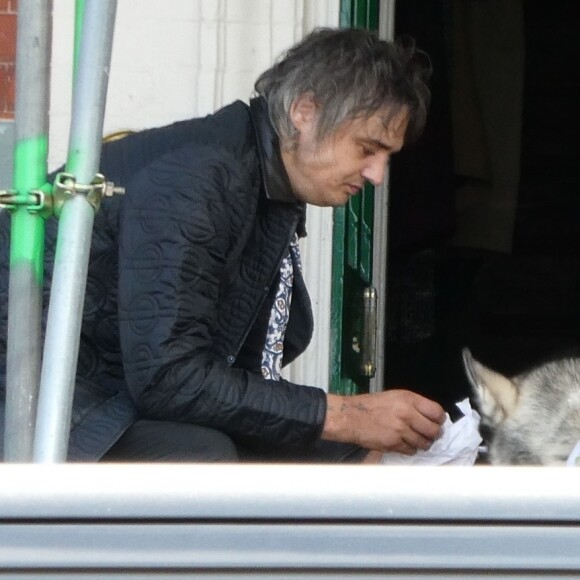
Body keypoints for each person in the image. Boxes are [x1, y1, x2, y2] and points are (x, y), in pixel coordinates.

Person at [0, 27, 445, 462]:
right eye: (367, 148)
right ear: (305, 112)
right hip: (46, 404)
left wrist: (348, 427)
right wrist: (345, 413)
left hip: (116, 398)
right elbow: (168, 377)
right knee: (205, 460)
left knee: (348, 449)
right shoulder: (198, 180)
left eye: (387, 157)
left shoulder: (262, 182)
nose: (376, 175)